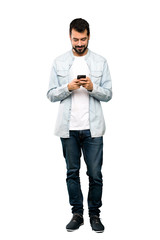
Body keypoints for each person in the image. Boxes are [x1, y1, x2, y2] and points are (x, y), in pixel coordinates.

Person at [47, 18, 112, 233]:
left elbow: (109, 94)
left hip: (93, 129)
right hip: (68, 130)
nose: (80, 43)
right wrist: (68, 87)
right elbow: (50, 95)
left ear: (89, 37)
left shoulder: (101, 62)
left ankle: (94, 215)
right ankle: (77, 214)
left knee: (95, 174)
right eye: (76, 39)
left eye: (83, 39)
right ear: (70, 37)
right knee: (71, 173)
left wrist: (93, 87)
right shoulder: (59, 62)